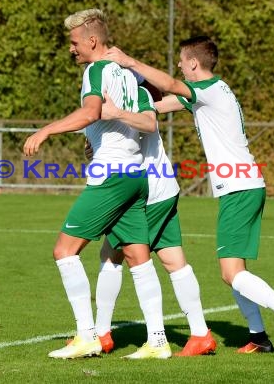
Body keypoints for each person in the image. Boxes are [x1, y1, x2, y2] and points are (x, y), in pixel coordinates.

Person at [103, 36, 274, 358]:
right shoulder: (207, 94)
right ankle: (259, 336)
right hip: (242, 187)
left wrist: (130, 62)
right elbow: (159, 106)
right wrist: (119, 109)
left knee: (232, 273)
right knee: (232, 273)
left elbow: (172, 85)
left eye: (181, 60)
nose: (177, 65)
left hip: (240, 189)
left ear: (192, 63)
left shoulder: (209, 90)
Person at [23, 8, 170, 359]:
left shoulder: (96, 69)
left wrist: (45, 130)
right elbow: (136, 121)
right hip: (136, 175)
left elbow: (92, 112)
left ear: (92, 40)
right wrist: (97, 135)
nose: (71, 49)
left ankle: (86, 335)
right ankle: (158, 341)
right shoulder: (127, 73)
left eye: (74, 43)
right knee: (138, 256)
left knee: (64, 251)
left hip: (112, 176)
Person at [91, 84, 217, 357]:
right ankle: (200, 333)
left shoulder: (135, 97)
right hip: (164, 189)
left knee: (112, 256)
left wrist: (113, 114)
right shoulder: (131, 98)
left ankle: (103, 334)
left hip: (143, 193)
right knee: (174, 261)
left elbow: (145, 124)